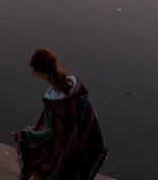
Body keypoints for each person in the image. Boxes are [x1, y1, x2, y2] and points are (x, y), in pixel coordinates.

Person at [12, 47, 107, 180]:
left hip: (63, 156)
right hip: (81, 148)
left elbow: (51, 136)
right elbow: (86, 118)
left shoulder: (53, 103)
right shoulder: (76, 87)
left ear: (39, 72)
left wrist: (25, 136)